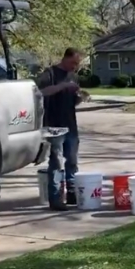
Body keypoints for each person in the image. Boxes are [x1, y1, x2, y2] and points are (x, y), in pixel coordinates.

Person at [35, 48, 87, 210]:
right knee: (56, 162)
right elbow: (39, 93)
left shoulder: (74, 77)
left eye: (77, 64)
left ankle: (72, 194)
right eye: (73, 63)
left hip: (70, 124)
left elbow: (73, 101)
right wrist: (62, 86)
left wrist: (80, 97)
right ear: (65, 58)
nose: (75, 67)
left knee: (72, 161)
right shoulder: (49, 74)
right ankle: (56, 198)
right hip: (53, 125)